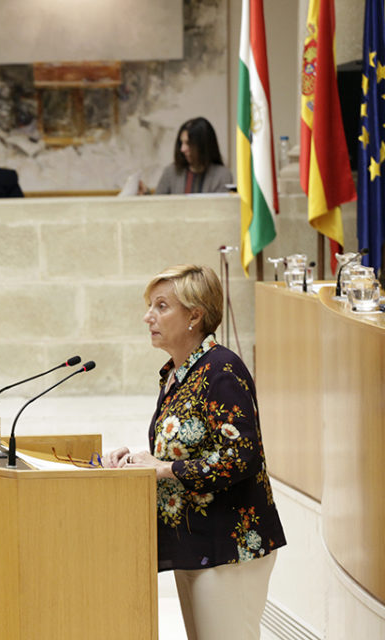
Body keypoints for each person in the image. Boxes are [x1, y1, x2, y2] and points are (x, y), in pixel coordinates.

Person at [103, 264, 285, 640]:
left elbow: (240, 456)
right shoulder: (179, 373)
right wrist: (138, 461)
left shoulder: (221, 370)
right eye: (150, 306)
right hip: (196, 541)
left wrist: (165, 469)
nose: (148, 317)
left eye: (161, 306)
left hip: (231, 546)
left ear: (194, 315)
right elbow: (189, 446)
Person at [148, 117, 233, 194]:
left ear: (203, 145)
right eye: (181, 143)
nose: (182, 149)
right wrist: (146, 193)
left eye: (188, 143)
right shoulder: (170, 172)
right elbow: (157, 202)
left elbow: (220, 205)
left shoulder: (222, 175)